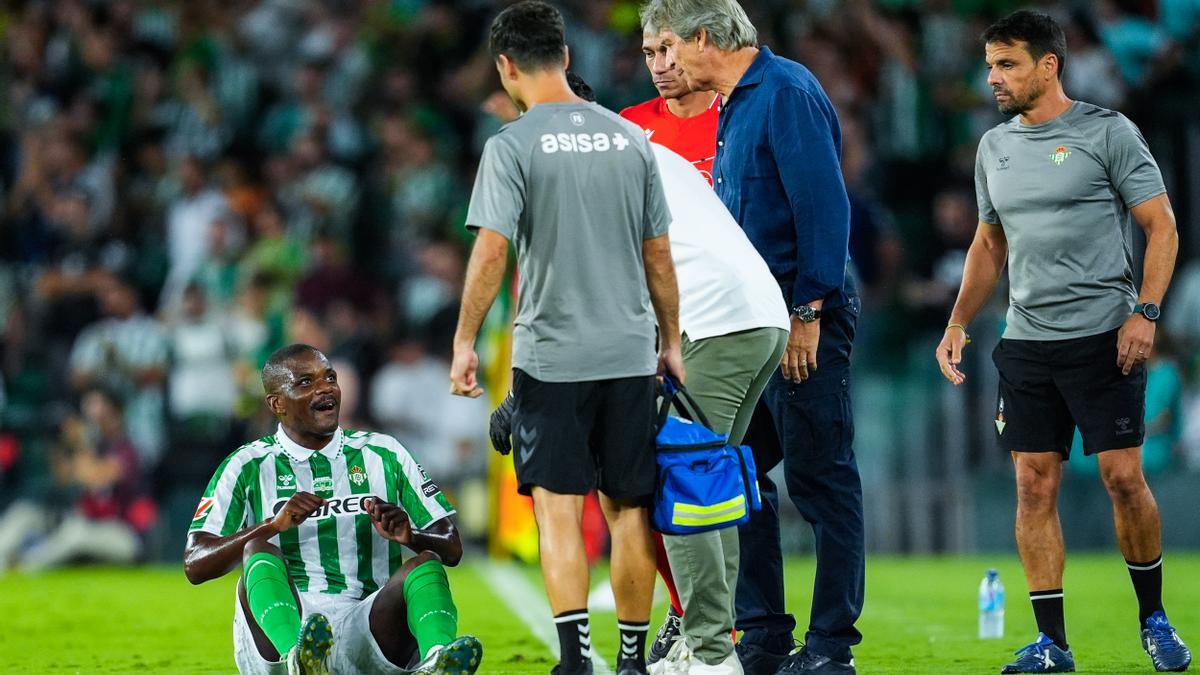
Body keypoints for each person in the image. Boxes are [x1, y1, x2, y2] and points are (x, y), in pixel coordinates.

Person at [934, 10, 1191, 674]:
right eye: (989, 64)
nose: (991, 77)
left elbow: (1161, 228)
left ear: (1048, 65)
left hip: (1106, 337)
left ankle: (1153, 617)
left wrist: (1147, 313)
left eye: (1006, 64)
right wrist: (958, 321)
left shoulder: (1107, 132)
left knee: (1124, 478)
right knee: (1032, 484)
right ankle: (1053, 641)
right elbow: (989, 243)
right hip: (1026, 343)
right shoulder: (994, 148)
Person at [448, 3, 684, 674]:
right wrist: (671, 340)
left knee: (557, 513)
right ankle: (634, 660)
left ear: (506, 66)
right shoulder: (631, 140)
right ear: (568, 58)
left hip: (552, 356)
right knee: (630, 510)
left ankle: (577, 657)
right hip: (630, 352)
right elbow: (659, 256)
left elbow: (492, 252)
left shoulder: (512, 145)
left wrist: (465, 340)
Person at [642, 1, 864, 673]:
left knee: (820, 476)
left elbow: (824, 207)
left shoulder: (786, 92)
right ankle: (762, 628)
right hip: (754, 320)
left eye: (672, 46)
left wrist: (808, 312)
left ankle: (831, 645)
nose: (665, 63)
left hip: (801, 317)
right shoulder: (736, 103)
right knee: (738, 474)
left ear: (707, 37)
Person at [618, 29, 788, 675]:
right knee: (710, 482)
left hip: (718, 322)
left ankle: (712, 653)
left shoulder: (600, 159)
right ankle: (713, 637)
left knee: (680, 477)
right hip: (754, 314)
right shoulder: (635, 143)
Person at [183, 344, 483, 675]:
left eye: (329, 378)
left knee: (425, 563)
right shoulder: (247, 465)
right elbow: (195, 563)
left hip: (366, 628)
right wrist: (271, 525)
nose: (325, 388)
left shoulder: (385, 453)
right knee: (258, 550)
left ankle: (436, 662)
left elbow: (451, 547)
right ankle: (299, 658)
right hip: (280, 636)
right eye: (305, 382)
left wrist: (410, 535)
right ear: (277, 403)